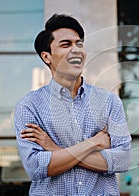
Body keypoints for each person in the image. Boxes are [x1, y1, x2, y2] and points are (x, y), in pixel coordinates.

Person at [14, 13, 132, 195]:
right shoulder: (29, 106)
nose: (76, 49)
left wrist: (55, 150)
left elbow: (122, 160)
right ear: (47, 57)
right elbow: (36, 167)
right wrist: (94, 143)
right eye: (66, 44)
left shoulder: (109, 101)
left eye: (79, 44)